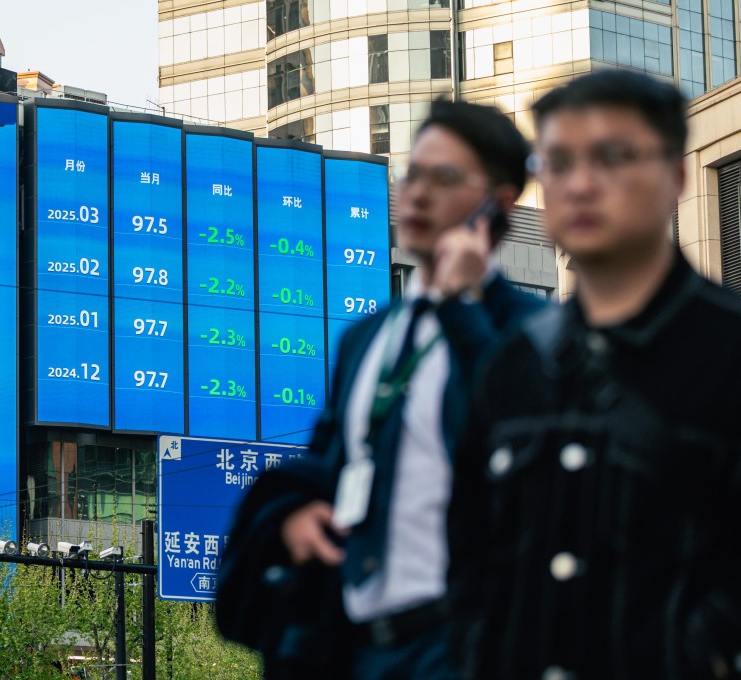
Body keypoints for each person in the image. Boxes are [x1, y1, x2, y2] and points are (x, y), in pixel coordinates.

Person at [448, 69, 741, 679]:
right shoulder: (513, 367)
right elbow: (466, 553)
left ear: (675, 176)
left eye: (613, 158)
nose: (582, 185)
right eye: (559, 163)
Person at [215, 100, 544, 679]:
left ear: (500, 200)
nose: (416, 194)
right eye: (412, 174)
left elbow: (518, 448)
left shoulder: (531, 331)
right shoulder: (368, 337)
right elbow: (328, 461)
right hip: (351, 645)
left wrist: (462, 308)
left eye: (443, 178)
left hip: (462, 645)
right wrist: (294, 514)